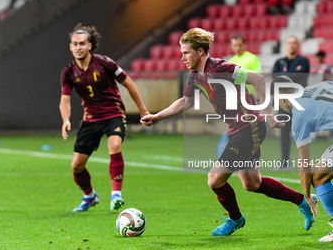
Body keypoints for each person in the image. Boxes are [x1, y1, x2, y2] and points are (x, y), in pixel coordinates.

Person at [141, 28, 316, 236]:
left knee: (214, 179)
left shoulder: (221, 68)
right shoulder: (197, 76)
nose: (182, 57)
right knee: (252, 183)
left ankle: (235, 220)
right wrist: (157, 116)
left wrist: (269, 115)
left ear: (200, 51)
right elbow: (185, 102)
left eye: (186, 53)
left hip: (249, 127)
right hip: (238, 129)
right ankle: (302, 200)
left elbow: (258, 80)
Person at [59, 23, 149, 212]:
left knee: (114, 146)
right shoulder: (69, 73)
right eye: (75, 44)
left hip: (113, 114)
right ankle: (89, 196)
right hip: (90, 119)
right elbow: (65, 100)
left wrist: (143, 110)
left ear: (90, 45)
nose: (78, 47)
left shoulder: (105, 63)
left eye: (82, 43)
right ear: (70, 46)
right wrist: (66, 119)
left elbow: (129, 83)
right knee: (76, 166)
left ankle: (116, 195)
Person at [271, 75, 333, 242]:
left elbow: (304, 163)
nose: (282, 109)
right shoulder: (319, 86)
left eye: (279, 103)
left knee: (319, 177)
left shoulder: (299, 115)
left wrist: (306, 196)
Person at [272, 35, 310, 168]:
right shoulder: (279, 62)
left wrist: (284, 77)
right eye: (289, 43)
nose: (292, 45)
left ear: (298, 45)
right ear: (286, 45)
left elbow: (300, 75)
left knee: (302, 134)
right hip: (284, 104)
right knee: (284, 133)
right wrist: (291, 76)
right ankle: (284, 162)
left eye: (294, 43)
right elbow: (275, 78)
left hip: (299, 103)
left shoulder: (304, 61)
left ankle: (304, 162)